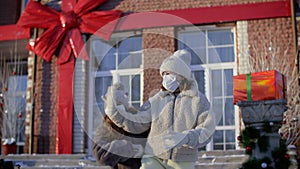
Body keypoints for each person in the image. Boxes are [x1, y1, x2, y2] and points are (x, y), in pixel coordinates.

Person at [104, 49, 217, 169]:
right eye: (164, 74)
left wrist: (185, 138)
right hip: (154, 156)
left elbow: (207, 130)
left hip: (182, 159)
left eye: (171, 73)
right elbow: (136, 123)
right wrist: (114, 110)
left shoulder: (198, 100)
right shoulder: (156, 100)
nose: (166, 77)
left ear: (183, 75)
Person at [92, 82, 149, 169]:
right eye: (116, 105)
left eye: (120, 104)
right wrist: (131, 148)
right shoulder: (107, 127)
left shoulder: (137, 121)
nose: (118, 109)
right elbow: (100, 154)